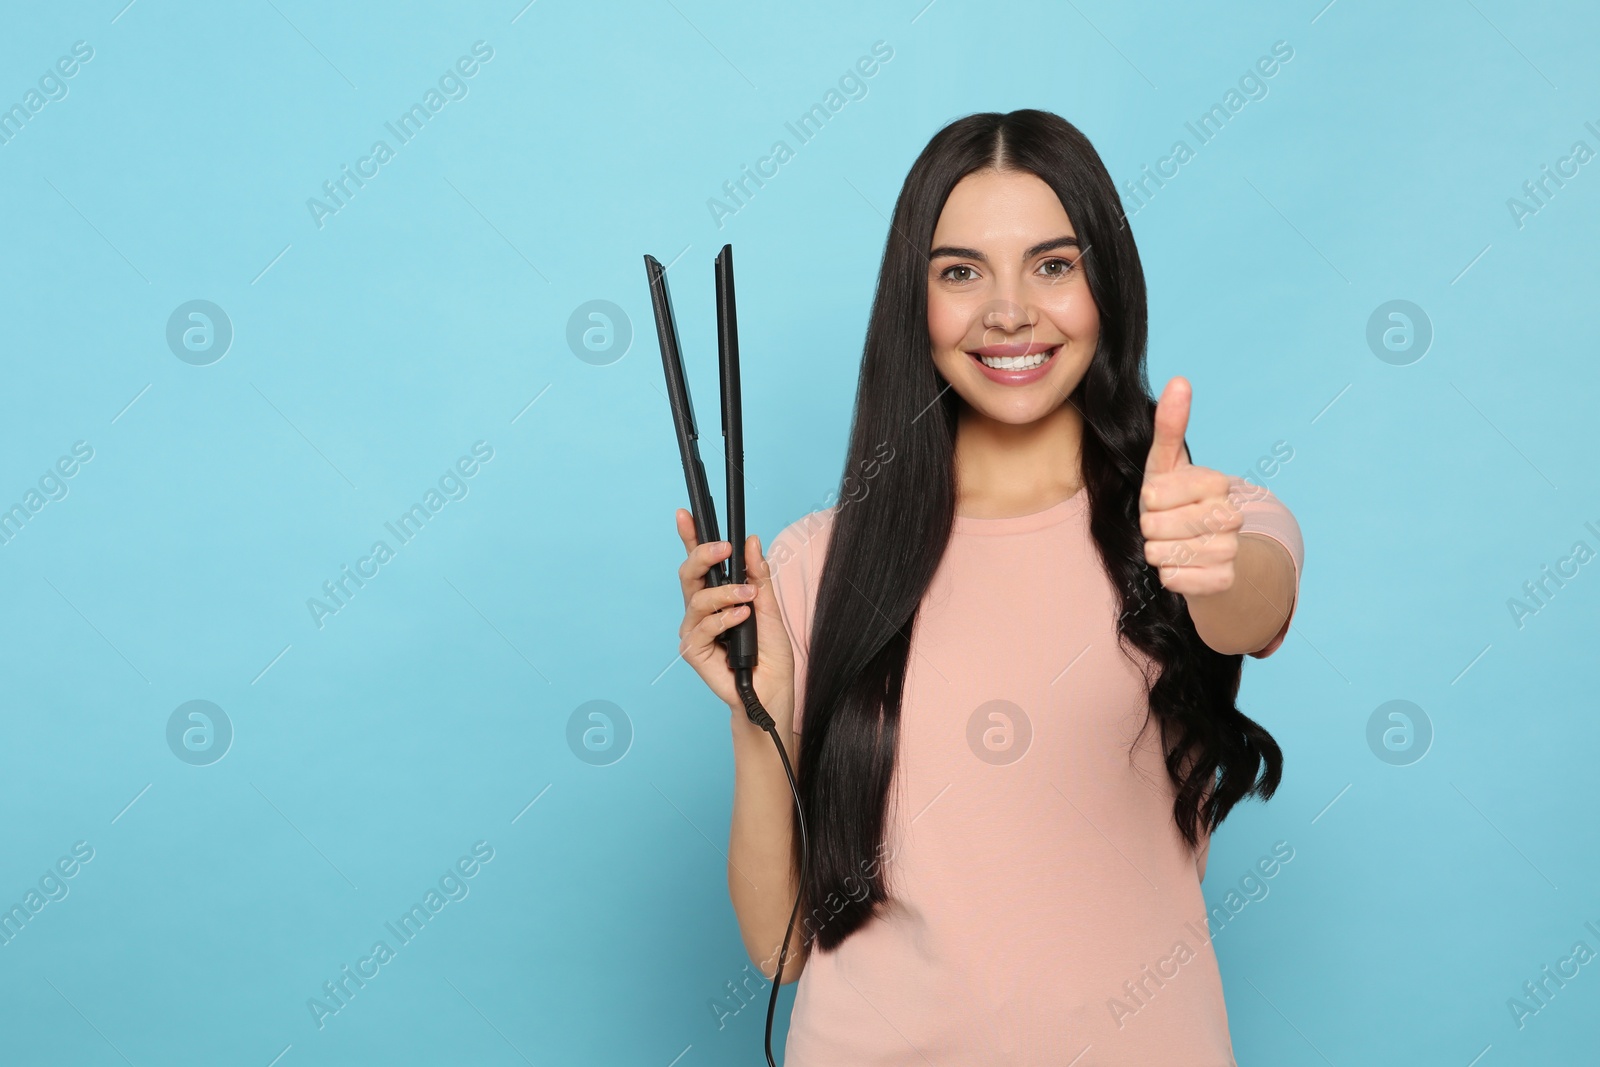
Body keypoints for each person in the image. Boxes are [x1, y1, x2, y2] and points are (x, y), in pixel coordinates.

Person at [673, 108, 1303, 1065]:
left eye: (1054, 264)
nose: (1009, 311)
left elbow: (1250, 603)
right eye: (961, 272)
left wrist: (1202, 565)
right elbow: (782, 945)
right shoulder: (812, 564)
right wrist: (759, 715)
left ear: (1109, 287)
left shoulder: (1206, 521)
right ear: (912, 302)